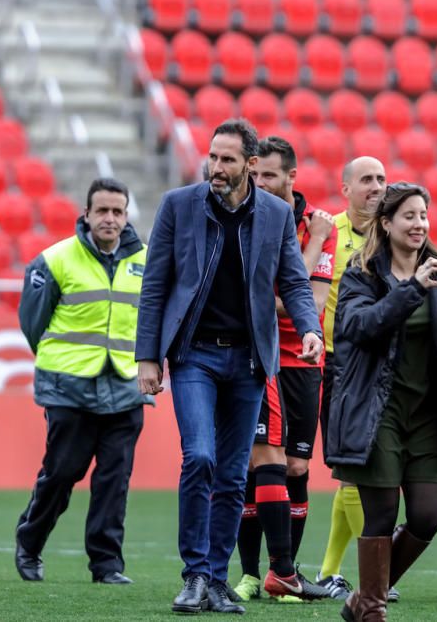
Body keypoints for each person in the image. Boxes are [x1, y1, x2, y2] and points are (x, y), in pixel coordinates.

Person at [135, 118, 324, 615]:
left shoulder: (277, 216)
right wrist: (147, 357)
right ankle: (194, 575)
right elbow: (155, 285)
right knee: (199, 457)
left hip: (248, 360)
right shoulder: (179, 205)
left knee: (235, 473)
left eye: (227, 160)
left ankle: (217, 581)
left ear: (251, 164)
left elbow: (295, 283)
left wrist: (309, 328)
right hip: (193, 354)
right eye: (213, 158)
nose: (216, 168)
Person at [327, 183, 437, 622]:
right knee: (380, 516)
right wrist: (412, 289)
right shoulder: (361, 273)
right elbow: (359, 327)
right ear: (386, 223)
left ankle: (360, 598)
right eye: (409, 216)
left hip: (425, 415)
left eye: (423, 215)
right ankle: (373, 611)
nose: (419, 224)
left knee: (427, 516)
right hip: (375, 410)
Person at [14, 178, 151, 585]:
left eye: (117, 211)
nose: (110, 218)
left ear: (127, 216)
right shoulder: (54, 260)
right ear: (86, 214)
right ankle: (30, 541)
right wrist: (63, 363)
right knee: (62, 473)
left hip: (125, 386)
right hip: (70, 387)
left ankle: (106, 565)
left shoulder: (148, 262)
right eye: (102, 211)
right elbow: (32, 324)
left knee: (114, 480)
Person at [232, 136, 335, 602]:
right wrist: (312, 244)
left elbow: (307, 304)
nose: (259, 183)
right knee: (259, 464)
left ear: (292, 177)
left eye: (269, 175)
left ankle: (287, 574)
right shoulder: (248, 221)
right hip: (263, 357)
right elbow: (261, 305)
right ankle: (258, 573)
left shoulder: (318, 227)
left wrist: (312, 241)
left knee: (296, 467)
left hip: (306, 360)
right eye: (254, 174)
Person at [315, 156, 388, 600]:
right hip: (331, 361)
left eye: (381, 178)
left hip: (378, 365)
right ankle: (364, 572)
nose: (376, 186)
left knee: (358, 471)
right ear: (346, 189)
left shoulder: (395, 234)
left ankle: (333, 570)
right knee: (350, 469)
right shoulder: (329, 234)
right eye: (366, 179)